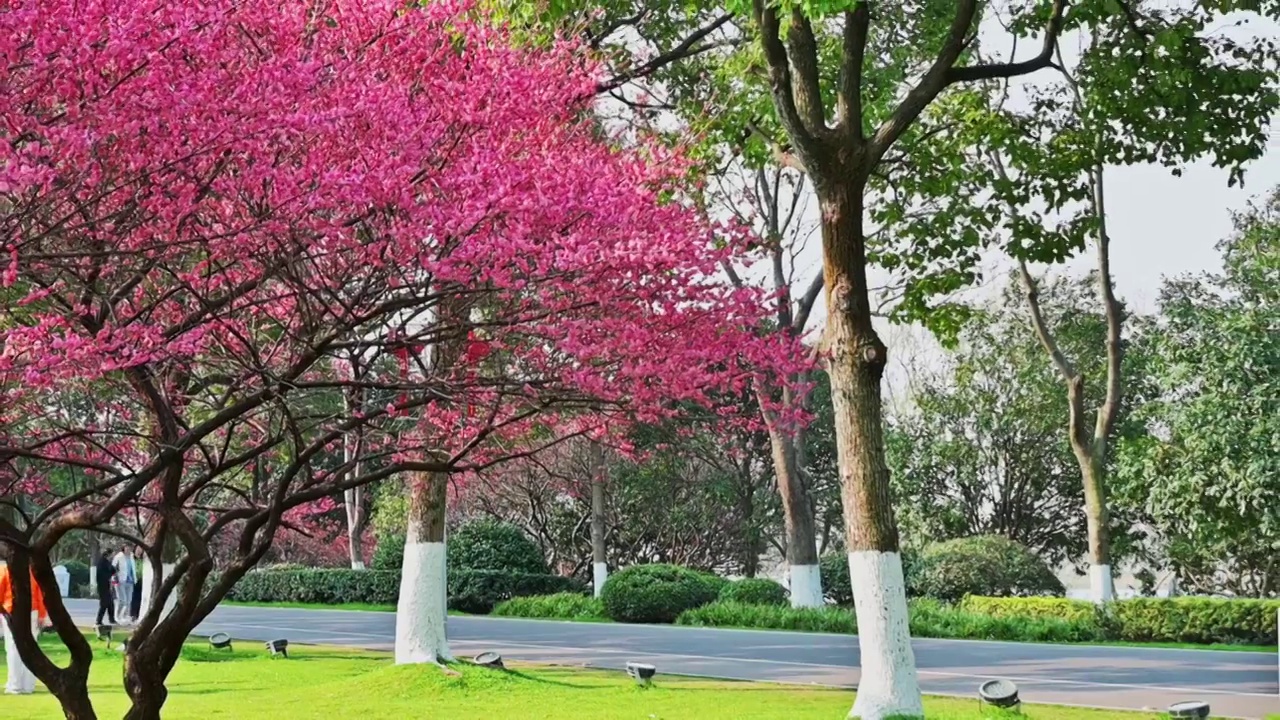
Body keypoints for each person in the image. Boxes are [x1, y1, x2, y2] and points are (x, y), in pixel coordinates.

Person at [0, 562, 49, 695]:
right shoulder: (32, 570)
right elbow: (40, 593)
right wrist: (42, 614)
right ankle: (28, 685)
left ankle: (15, 685)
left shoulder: (6, 569)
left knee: (13, 647)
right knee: (31, 647)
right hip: (32, 610)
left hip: (12, 610)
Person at [112, 545, 136, 624]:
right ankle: (118, 616)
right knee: (122, 600)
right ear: (123, 549)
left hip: (130, 581)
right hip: (121, 580)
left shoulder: (131, 556)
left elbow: (133, 568)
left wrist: (134, 578)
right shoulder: (119, 556)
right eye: (126, 548)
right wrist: (115, 578)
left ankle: (126, 616)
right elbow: (112, 567)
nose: (128, 550)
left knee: (129, 600)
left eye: (129, 548)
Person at [94, 550, 116, 626]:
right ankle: (98, 620)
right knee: (104, 603)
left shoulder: (107, 562)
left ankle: (111, 619)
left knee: (110, 603)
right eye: (112, 555)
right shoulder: (102, 563)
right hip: (102, 586)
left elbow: (112, 570)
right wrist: (110, 575)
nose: (112, 557)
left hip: (107, 585)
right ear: (108, 555)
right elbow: (103, 574)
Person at [130, 546, 143, 621]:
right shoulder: (132, 559)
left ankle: (137, 614)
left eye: (140, 550)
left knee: (140, 598)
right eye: (137, 550)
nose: (139, 551)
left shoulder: (143, 560)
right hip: (133, 580)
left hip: (141, 580)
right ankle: (133, 614)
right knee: (134, 598)